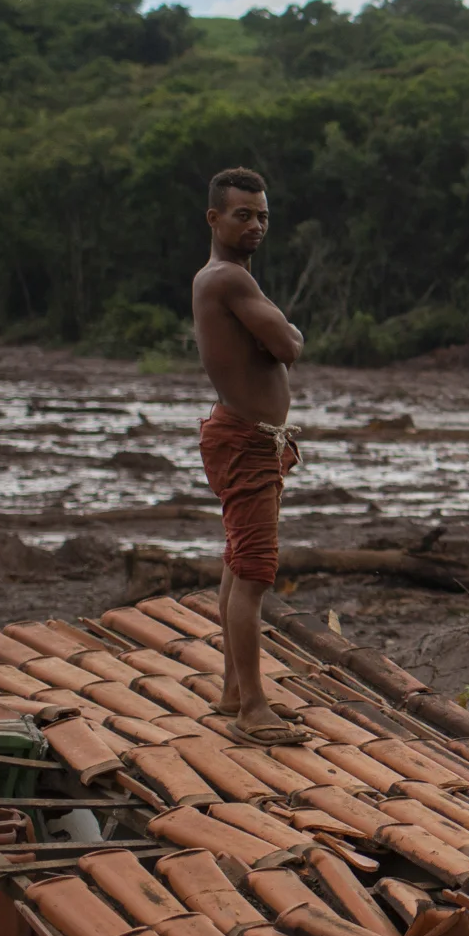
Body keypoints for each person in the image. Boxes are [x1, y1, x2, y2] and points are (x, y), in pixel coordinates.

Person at [190, 167, 308, 745]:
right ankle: (253, 710)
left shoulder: (225, 279)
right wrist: (289, 334)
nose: (256, 224)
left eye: (263, 215)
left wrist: (278, 334)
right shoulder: (229, 280)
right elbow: (287, 344)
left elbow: (274, 342)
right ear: (215, 219)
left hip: (246, 437)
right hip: (245, 440)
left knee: (239, 562)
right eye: (244, 214)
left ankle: (235, 690)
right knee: (256, 572)